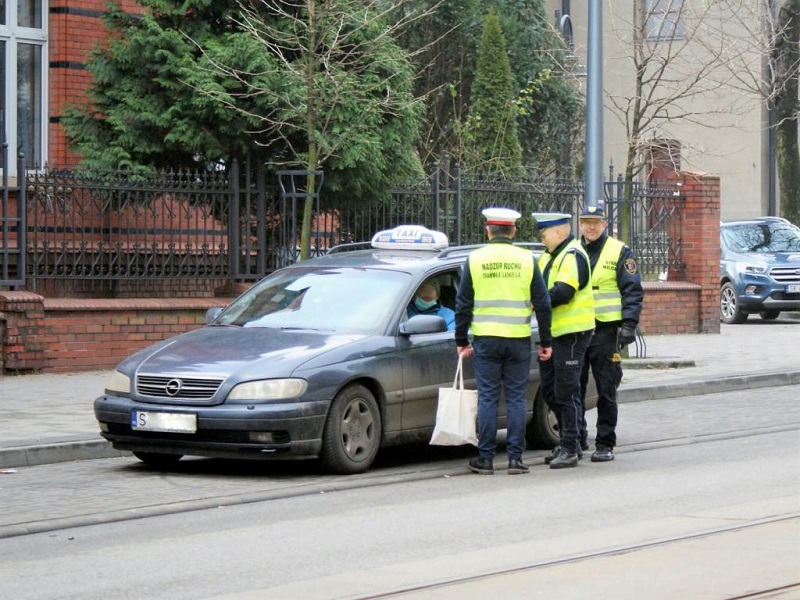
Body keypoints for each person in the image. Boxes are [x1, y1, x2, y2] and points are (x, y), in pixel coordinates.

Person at [455, 207, 553, 475]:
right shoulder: (526, 259)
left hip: (486, 340)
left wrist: (461, 339)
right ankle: (515, 459)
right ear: (513, 231)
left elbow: (462, 304)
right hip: (518, 339)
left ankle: (485, 459)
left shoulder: (474, 259)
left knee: (487, 398)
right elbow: (543, 304)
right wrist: (546, 340)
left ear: (488, 231)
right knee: (516, 399)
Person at [578, 204, 643, 462]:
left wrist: (629, 324)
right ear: (580, 224)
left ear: (605, 224)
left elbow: (633, 291)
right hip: (577, 330)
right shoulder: (573, 250)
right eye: (586, 221)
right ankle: (577, 437)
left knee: (606, 388)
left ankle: (605, 443)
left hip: (606, 331)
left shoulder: (620, 251)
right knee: (574, 387)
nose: (591, 227)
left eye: (596, 222)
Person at [533, 212, 595, 469]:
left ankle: (570, 446)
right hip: (552, 335)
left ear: (558, 232)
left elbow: (564, 292)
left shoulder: (572, 255)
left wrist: (537, 300)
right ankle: (574, 439)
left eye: (544, 232)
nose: (541, 237)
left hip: (571, 334)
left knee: (566, 391)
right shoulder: (548, 256)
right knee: (550, 389)